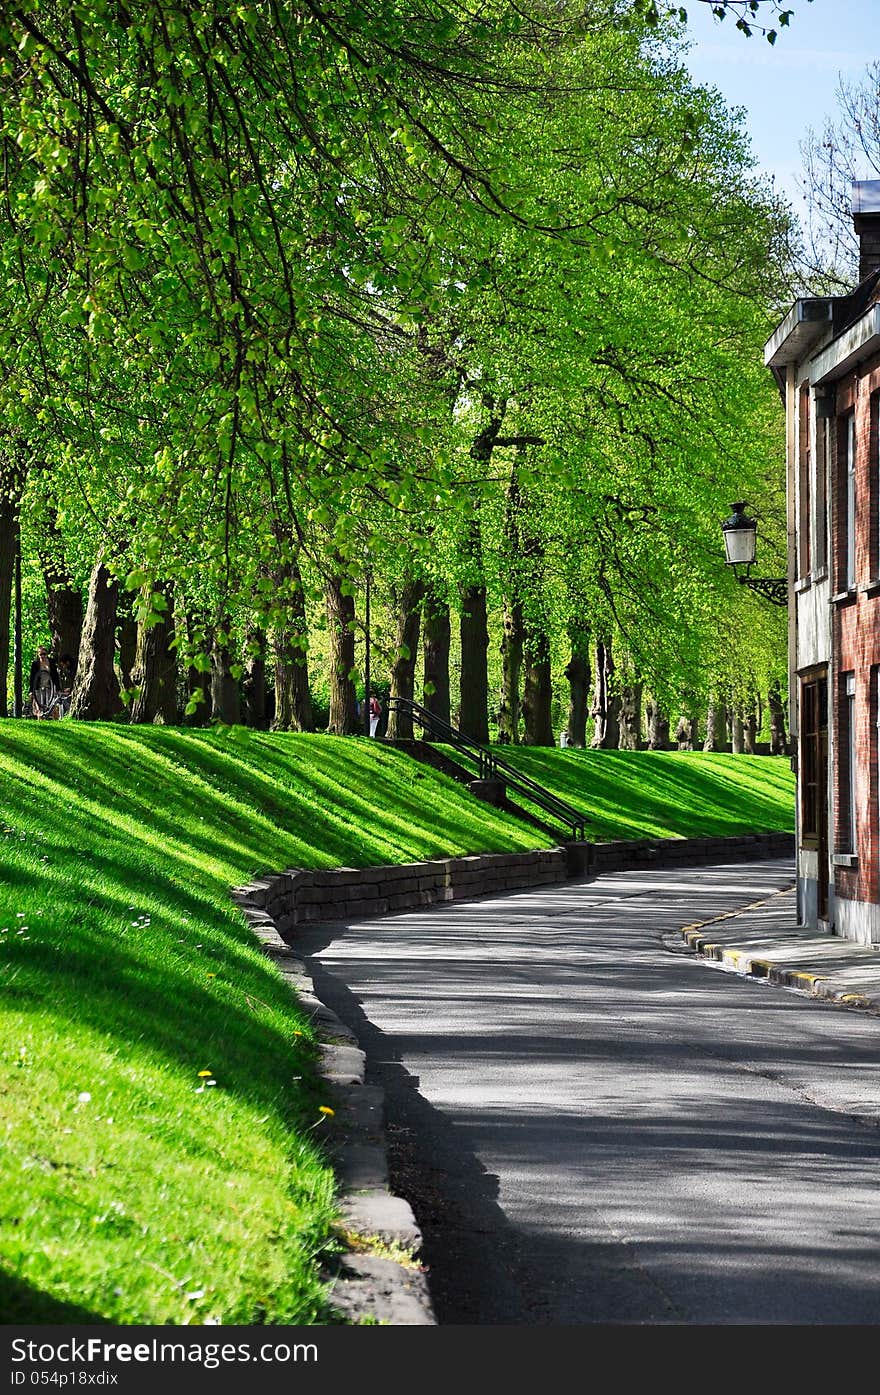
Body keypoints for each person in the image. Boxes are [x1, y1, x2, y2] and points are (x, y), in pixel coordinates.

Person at [29, 645, 61, 719]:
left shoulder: (51, 662)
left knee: (52, 706)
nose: (43, 656)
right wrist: (31, 691)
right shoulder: (35, 664)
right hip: (38, 687)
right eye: (41, 654)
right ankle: (40, 721)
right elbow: (32, 678)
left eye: (44, 654)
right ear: (38, 654)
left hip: (50, 687)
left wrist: (58, 689)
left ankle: (56, 721)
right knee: (39, 707)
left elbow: (55, 676)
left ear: (47, 654)